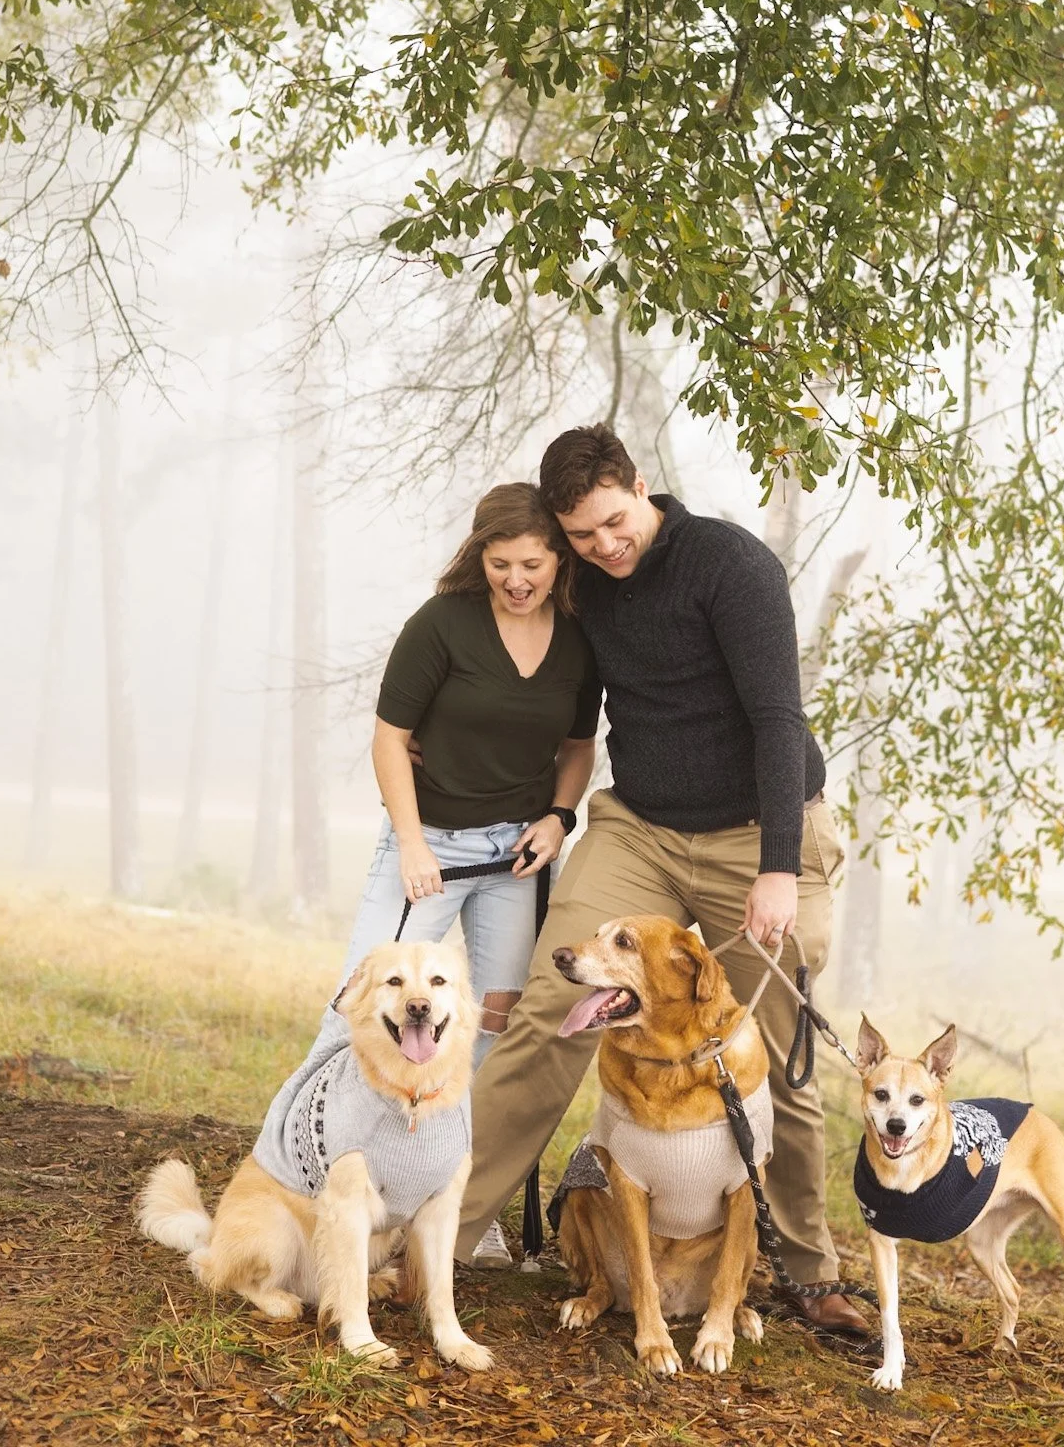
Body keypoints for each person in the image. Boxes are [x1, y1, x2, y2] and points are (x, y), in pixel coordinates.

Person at [453, 425, 865, 1333]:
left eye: (611, 523)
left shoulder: (730, 566)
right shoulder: (584, 582)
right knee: (547, 1018)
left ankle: (806, 1271)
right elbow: (565, 703)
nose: (603, 547)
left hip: (759, 830)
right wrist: (559, 814)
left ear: (641, 486)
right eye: (583, 536)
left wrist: (777, 871)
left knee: (773, 1051)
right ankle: (436, 1229)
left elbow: (775, 721)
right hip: (640, 826)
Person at [344, 481, 601, 1267]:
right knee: (357, 1006)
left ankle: (460, 1202)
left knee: (489, 1029)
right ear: (478, 558)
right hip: (430, 848)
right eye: (500, 564)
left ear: (558, 559)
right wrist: (416, 844)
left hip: (515, 859)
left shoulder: (578, 641)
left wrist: (559, 819)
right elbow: (390, 738)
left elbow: (577, 749)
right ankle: (327, 1182)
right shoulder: (442, 625)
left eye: (531, 563)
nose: (516, 579)